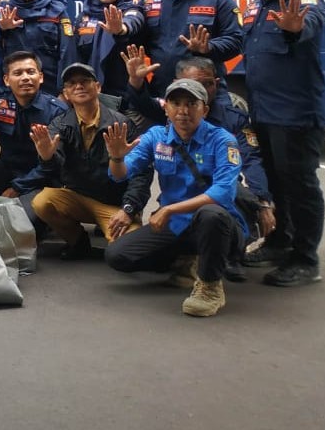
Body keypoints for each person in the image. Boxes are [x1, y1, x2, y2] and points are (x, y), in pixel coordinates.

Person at [104, 78, 247, 317]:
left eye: (191, 103)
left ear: (205, 109)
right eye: (176, 103)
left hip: (220, 226)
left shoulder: (223, 140)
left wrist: (169, 210)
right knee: (118, 256)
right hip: (178, 226)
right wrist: (116, 158)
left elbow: (223, 193)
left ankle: (210, 286)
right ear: (166, 107)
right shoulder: (156, 137)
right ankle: (188, 258)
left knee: (210, 215)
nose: (183, 111)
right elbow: (120, 175)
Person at [240, 0, 325, 287]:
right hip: (264, 112)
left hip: (296, 114)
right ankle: (280, 242)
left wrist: (296, 29)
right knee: (276, 184)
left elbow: (309, 25)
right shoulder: (255, 8)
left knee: (301, 187)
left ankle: (306, 260)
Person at [28, 63, 149, 259]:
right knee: (42, 202)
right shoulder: (60, 123)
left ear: (98, 87)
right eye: (72, 83)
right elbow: (51, 166)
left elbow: (142, 174)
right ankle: (78, 242)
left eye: (85, 81)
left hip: (114, 203)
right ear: (66, 93)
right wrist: (46, 156)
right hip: (78, 198)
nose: (79, 86)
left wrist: (129, 208)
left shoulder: (121, 124)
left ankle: (122, 230)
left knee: (130, 253)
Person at [128, 0, 242, 97]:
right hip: (162, 96)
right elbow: (136, 43)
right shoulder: (147, 3)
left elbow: (236, 40)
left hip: (208, 98)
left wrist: (208, 48)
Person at [0, 51, 69, 201]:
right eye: (18, 73)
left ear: (40, 77)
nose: (25, 77)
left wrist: (17, 187)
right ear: (7, 80)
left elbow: (54, 164)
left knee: (24, 219)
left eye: (30, 72)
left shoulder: (57, 111)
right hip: (6, 171)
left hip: (41, 177)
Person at [0, 0, 75, 93]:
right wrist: (3, 29)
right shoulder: (5, 12)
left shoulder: (57, 9)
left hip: (51, 90)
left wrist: (65, 90)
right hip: (15, 91)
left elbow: (68, 52)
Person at [73, 0, 140, 100]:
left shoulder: (132, 11)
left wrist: (120, 29)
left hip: (124, 98)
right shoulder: (84, 17)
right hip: (90, 96)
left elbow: (133, 22)